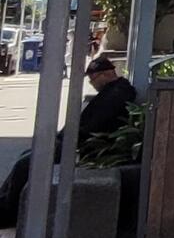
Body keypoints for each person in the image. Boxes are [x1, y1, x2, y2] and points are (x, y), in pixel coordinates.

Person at [0, 56, 136, 228]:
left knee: (25, 164)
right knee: (25, 157)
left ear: (106, 74)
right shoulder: (112, 91)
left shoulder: (116, 94)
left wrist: (66, 138)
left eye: (93, 78)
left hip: (80, 146)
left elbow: (93, 125)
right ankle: (4, 200)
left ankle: (8, 212)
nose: (92, 83)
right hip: (74, 141)